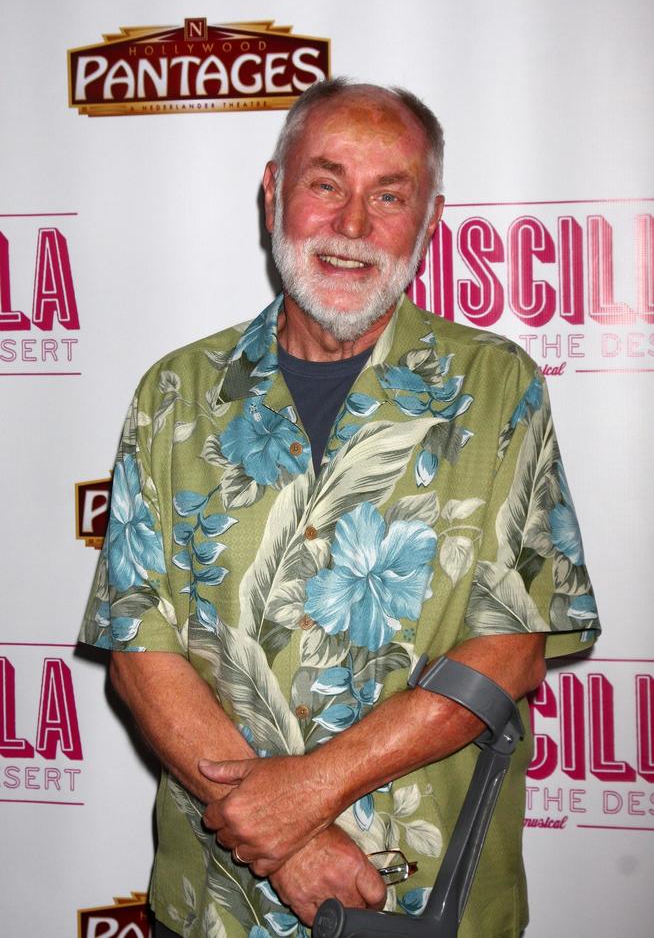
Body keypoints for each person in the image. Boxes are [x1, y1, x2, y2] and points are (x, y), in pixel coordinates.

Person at [79, 78, 599, 937]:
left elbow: (511, 647)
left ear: (429, 220)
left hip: (432, 903)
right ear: (274, 192)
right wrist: (286, 844)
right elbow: (142, 650)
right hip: (218, 904)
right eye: (326, 183)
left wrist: (309, 792)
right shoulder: (173, 392)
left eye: (388, 196)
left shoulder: (499, 385)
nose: (353, 226)